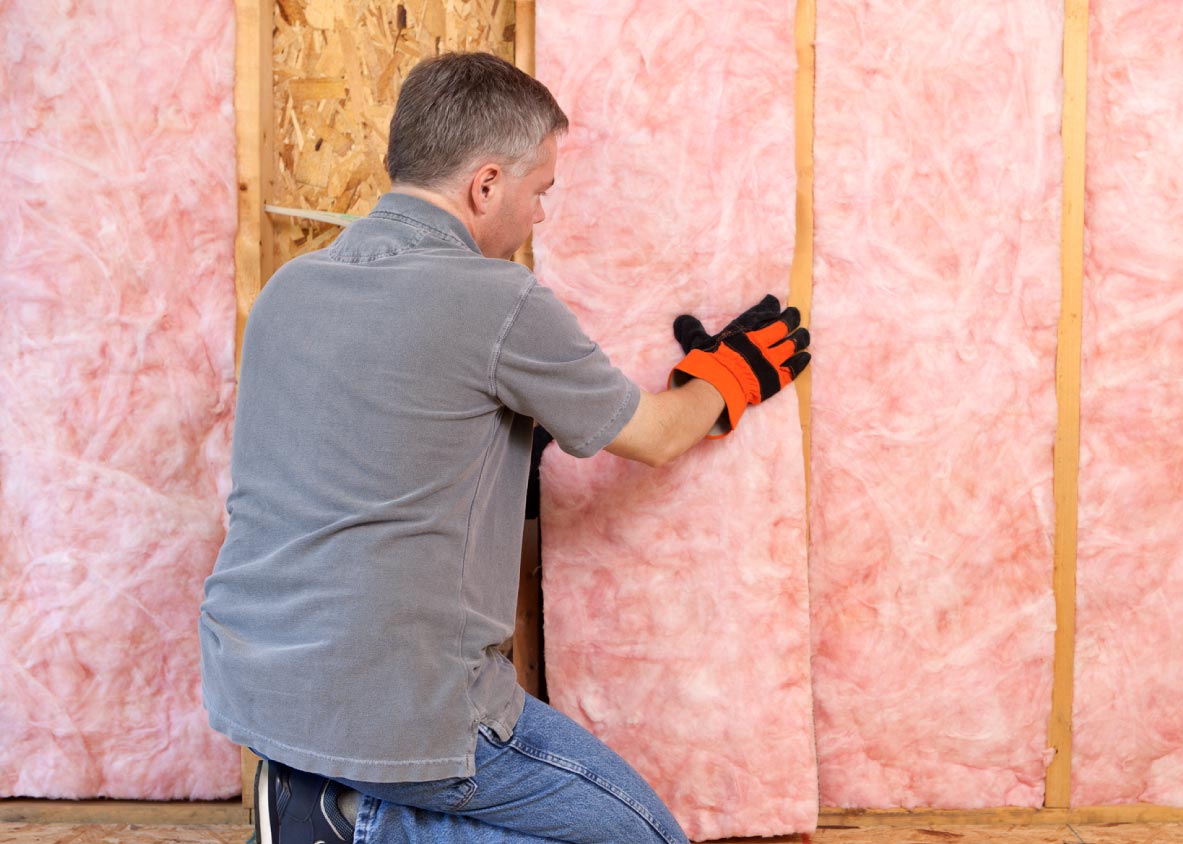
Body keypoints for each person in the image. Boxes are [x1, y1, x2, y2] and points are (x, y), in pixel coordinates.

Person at [198, 51, 810, 844]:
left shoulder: (289, 290)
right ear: (485, 185)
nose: (542, 215)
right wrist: (730, 375)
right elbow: (656, 436)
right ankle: (355, 826)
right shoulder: (498, 301)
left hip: (261, 687)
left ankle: (318, 790)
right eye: (540, 190)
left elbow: (383, 434)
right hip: (414, 712)